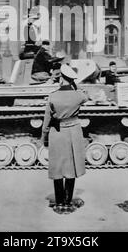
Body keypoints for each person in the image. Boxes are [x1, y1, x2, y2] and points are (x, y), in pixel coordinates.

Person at [41, 64, 88, 214]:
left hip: (57, 132)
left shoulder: (53, 96)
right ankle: (68, 202)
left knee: (57, 167)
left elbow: (47, 120)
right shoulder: (78, 95)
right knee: (71, 167)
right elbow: (85, 96)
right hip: (73, 131)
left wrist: (45, 137)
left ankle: (59, 201)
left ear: (61, 77)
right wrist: (74, 84)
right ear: (72, 79)